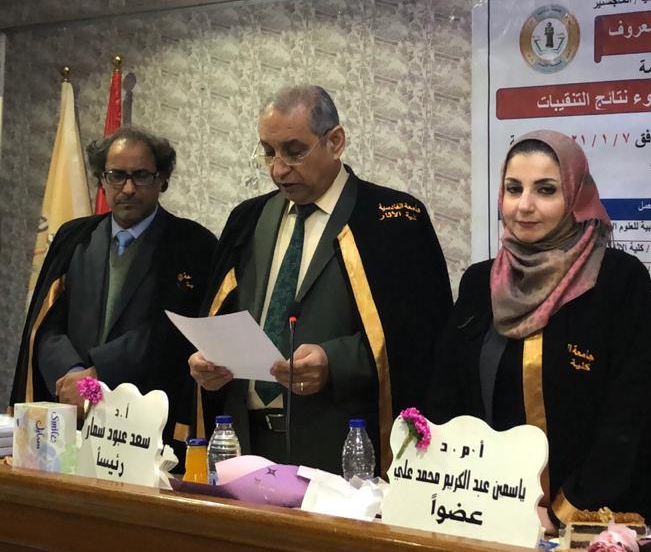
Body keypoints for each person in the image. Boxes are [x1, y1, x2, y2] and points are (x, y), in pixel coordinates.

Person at [188, 85, 452, 473]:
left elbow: (424, 337)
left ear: (335, 141)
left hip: (343, 448)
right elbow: (220, 315)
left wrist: (335, 361)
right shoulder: (247, 218)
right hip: (245, 444)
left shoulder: (393, 218)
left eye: (294, 151)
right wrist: (207, 362)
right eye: (269, 152)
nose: (278, 169)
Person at [429, 130, 651, 532]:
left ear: (576, 197)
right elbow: (447, 398)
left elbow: (630, 416)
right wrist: (447, 487)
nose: (524, 205)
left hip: (592, 519)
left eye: (546, 190)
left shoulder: (618, 281)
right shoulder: (481, 282)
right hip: (488, 513)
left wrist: (562, 512)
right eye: (513, 189)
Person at [9, 126, 217, 456]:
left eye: (141, 176)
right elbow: (46, 324)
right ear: (101, 181)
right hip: (70, 415)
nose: (128, 188)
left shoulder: (193, 245)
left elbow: (171, 332)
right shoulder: (73, 237)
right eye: (117, 176)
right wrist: (74, 376)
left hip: (146, 426)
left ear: (162, 180)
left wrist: (97, 377)